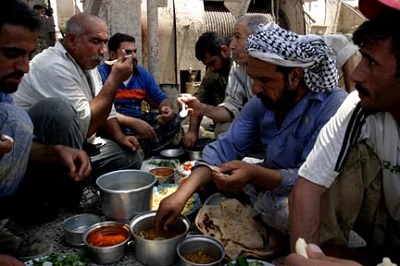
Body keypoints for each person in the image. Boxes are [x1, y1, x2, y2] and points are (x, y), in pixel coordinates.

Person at [155, 21, 348, 254]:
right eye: (253, 78)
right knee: (233, 169)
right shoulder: (261, 103)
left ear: (295, 77)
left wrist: (255, 174)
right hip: (274, 180)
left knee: (285, 206)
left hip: (317, 194)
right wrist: (181, 195)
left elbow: (310, 181)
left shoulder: (333, 106)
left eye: (264, 80)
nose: (255, 89)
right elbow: (223, 148)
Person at [289, 0, 400, 264]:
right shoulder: (360, 107)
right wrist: (305, 256)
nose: (357, 75)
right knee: (340, 159)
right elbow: (306, 188)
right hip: (389, 229)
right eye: (362, 57)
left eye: (371, 63)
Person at [12, 12, 143, 225]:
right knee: (57, 109)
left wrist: (120, 137)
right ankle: (75, 190)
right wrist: (115, 80)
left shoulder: (87, 64)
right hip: (36, 154)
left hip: (75, 146)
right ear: (71, 40)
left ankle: (75, 180)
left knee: (132, 157)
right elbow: (86, 127)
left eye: (104, 42)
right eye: (95, 42)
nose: (102, 51)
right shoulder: (52, 66)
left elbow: (104, 107)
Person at [0, 0, 91, 261]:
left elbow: (19, 145)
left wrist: (56, 152)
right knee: (17, 119)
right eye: (11, 54)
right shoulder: (54, 65)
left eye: (27, 55)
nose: (24, 67)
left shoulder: (3, 93)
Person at [178, 14, 272, 141]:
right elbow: (232, 106)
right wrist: (199, 110)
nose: (232, 45)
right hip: (249, 120)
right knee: (223, 130)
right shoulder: (238, 68)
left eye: (237, 37)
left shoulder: (272, 63)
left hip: (273, 124)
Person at [97, 33, 181, 156]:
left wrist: (165, 108)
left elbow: (161, 98)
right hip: (114, 124)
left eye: (135, 51)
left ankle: (136, 149)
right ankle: (140, 148)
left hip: (138, 120)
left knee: (174, 120)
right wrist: (132, 122)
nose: (134, 56)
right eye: (128, 52)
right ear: (112, 55)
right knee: (109, 131)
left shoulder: (141, 74)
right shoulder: (100, 74)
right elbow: (101, 111)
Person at [181, 31, 231, 148]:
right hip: (224, 117)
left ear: (224, 51)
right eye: (207, 65)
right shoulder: (212, 73)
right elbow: (200, 100)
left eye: (213, 62)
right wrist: (192, 132)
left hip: (244, 120)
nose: (211, 69)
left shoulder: (239, 67)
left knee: (223, 130)